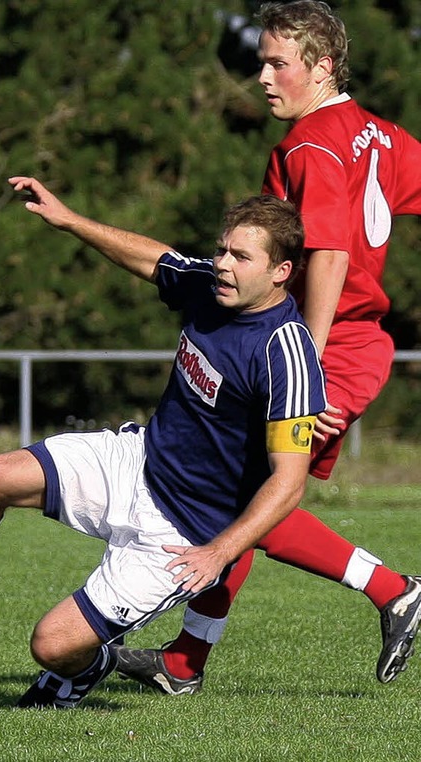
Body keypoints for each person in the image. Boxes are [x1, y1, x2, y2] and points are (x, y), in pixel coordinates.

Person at [0, 182, 328, 709]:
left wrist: (218, 553)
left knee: (52, 645)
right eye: (222, 248)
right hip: (138, 463)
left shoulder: (286, 354)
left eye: (240, 256)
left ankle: (90, 667)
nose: (222, 263)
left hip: (185, 533)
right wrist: (71, 220)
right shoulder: (211, 286)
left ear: (280, 272)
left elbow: (288, 483)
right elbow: (158, 259)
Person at [111, 0, 421, 696]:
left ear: (323, 66)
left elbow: (333, 255)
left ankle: (394, 590)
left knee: (255, 500)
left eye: (278, 62)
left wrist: (302, 366)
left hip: (328, 345)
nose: (262, 76)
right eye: (262, 60)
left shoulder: (310, 144)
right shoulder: (372, 131)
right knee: (245, 491)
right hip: (353, 342)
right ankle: (185, 663)